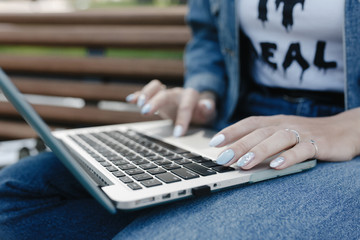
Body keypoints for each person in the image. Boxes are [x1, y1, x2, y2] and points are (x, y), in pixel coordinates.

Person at [0, 1, 359, 239]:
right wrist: (204, 95)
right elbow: (209, 37)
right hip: (239, 125)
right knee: (15, 195)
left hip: (344, 137)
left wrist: (347, 125)